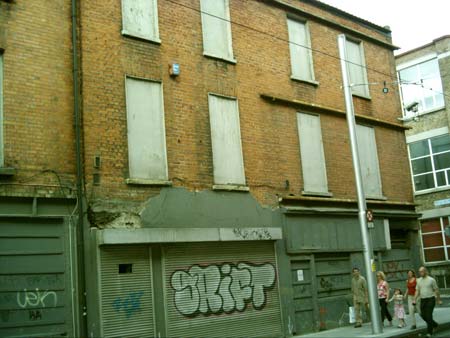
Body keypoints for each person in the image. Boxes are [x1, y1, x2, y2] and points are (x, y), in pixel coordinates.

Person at [414, 266, 442, 337]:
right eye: (419, 272)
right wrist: (414, 299)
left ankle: (429, 332)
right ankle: (435, 324)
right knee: (423, 315)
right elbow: (417, 290)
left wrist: (438, 300)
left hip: (430, 299)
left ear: (425, 271)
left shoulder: (431, 280)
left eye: (422, 271)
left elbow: (436, 290)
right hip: (423, 300)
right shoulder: (418, 280)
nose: (420, 273)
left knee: (429, 316)